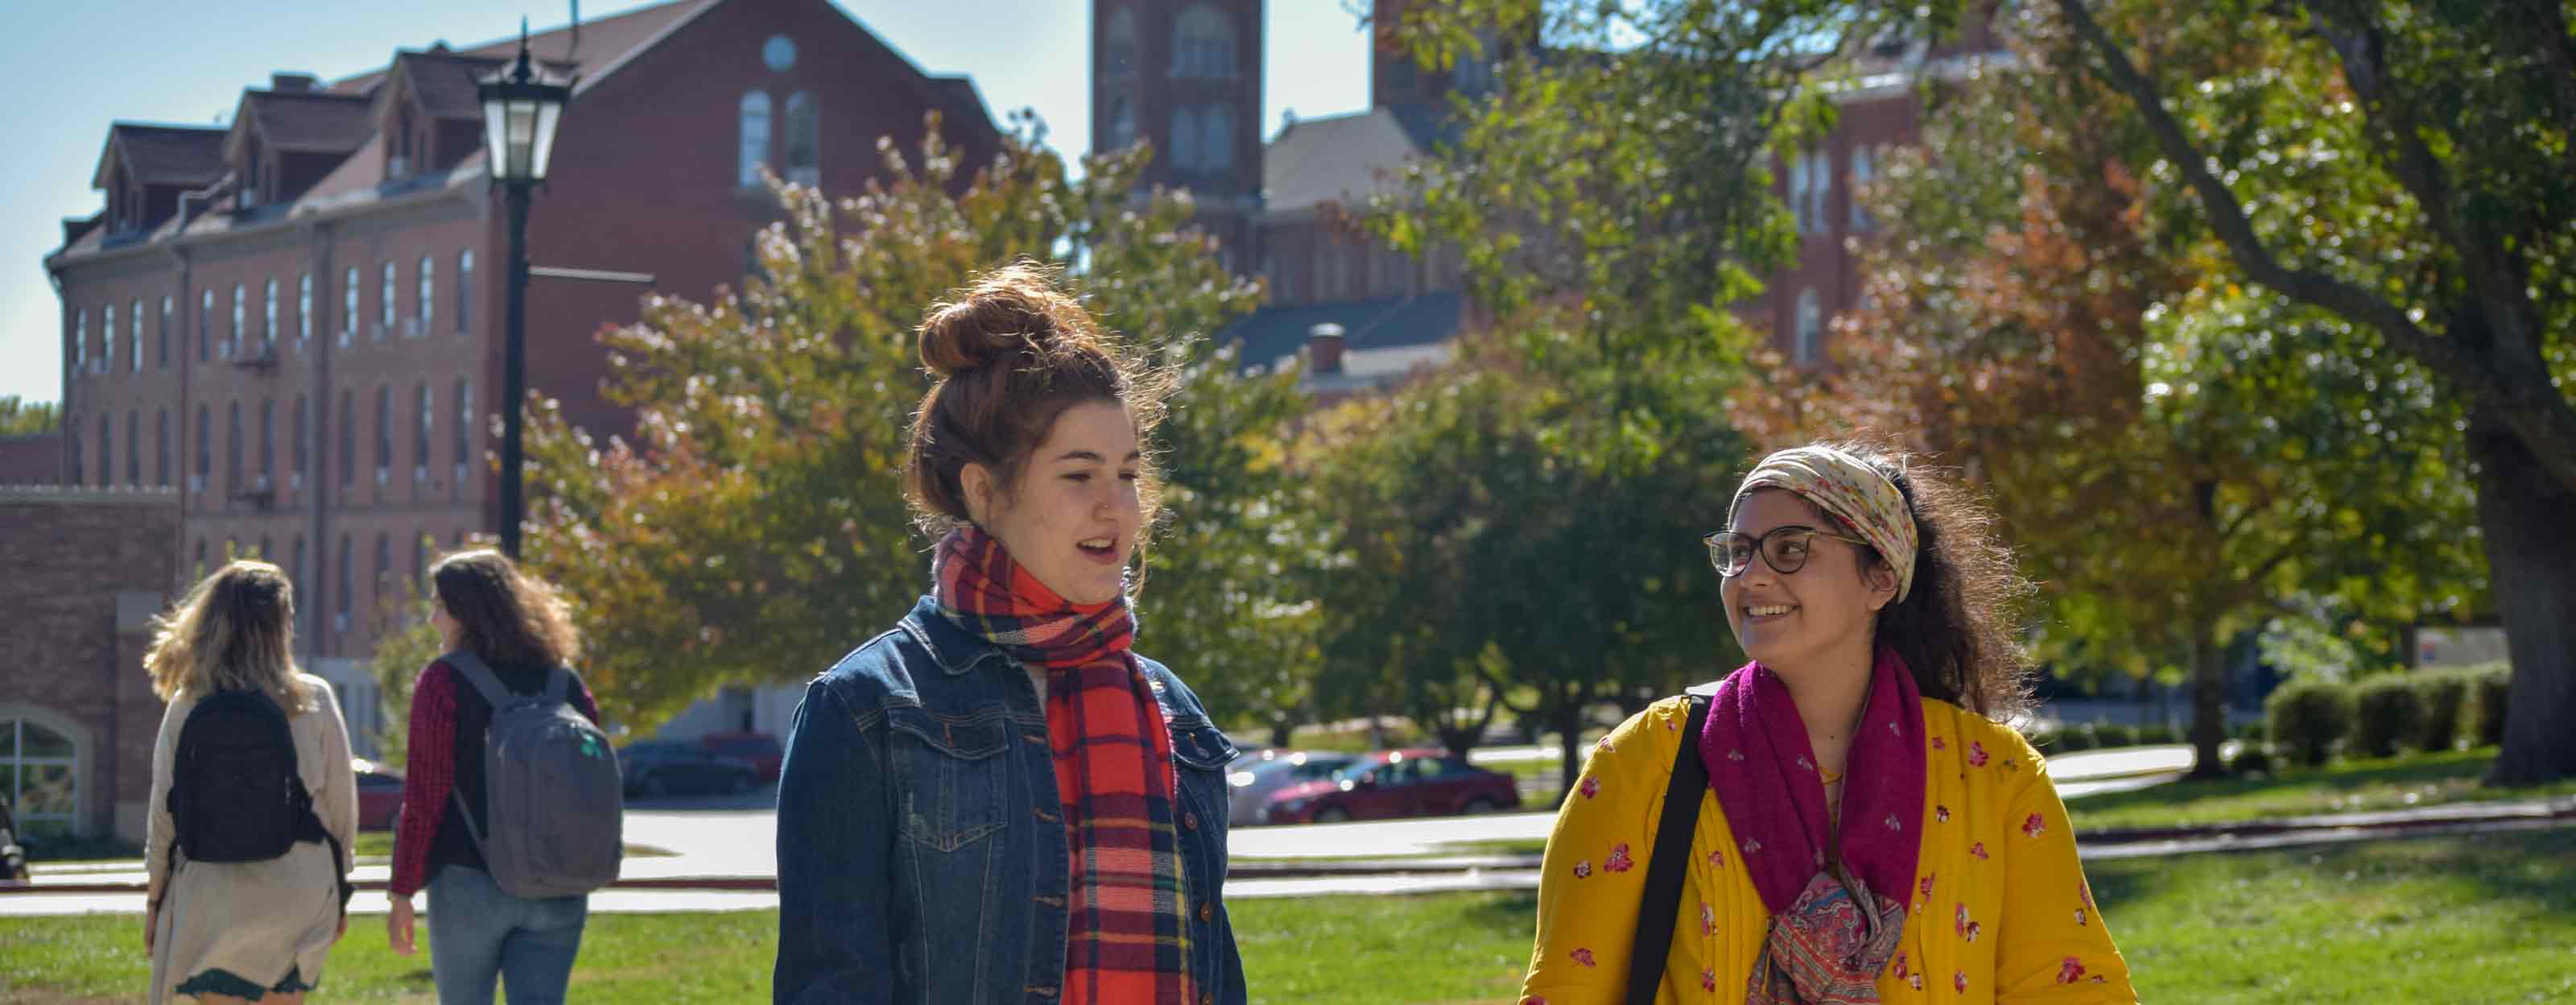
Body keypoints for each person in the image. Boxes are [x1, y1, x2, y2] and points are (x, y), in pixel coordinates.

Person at [774, 261, 1247, 1004]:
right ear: (985, 491)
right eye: (1078, 475)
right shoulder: (866, 710)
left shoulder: (1173, 709)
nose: (1115, 508)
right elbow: (830, 984)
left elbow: (1215, 969)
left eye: (1127, 474)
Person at [1521, 443, 2137, 1003]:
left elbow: (2068, 988)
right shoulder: (1648, 762)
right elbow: (1568, 988)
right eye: (1737, 552)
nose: (1750, 576)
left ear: (1881, 578)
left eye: (1790, 549)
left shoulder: (1994, 774)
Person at [386, 549, 606, 1005]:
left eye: (439, 606)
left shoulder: (443, 681)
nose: (432, 620)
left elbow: (425, 795)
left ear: (465, 614)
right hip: (558, 883)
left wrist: (403, 888)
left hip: (469, 882)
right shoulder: (563, 681)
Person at [142, 560, 357, 1004]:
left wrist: (155, 900)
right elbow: (340, 811)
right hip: (298, 887)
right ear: (282, 625)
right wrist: (340, 892)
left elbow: (164, 813)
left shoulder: (188, 703)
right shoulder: (313, 698)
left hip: (213, 893)